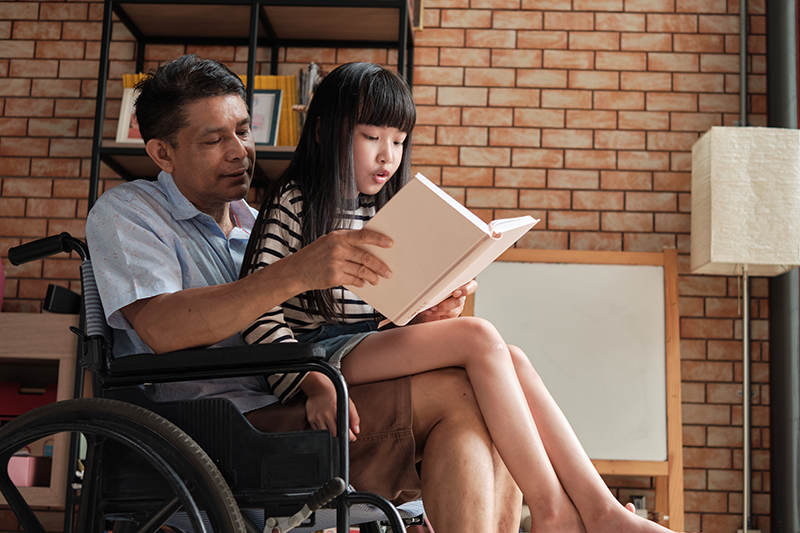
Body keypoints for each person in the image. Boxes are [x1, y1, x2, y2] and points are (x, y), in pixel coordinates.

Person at [241, 62, 687, 533]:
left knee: (508, 358)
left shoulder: (383, 209)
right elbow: (257, 309)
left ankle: (600, 509)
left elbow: (383, 314)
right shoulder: (295, 201)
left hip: (360, 347)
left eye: (398, 140)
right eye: (371, 136)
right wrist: (312, 382)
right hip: (319, 356)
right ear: (323, 134)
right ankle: (561, 513)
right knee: (479, 337)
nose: (387, 156)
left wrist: (430, 305)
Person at [85, 54, 521, 533]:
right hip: (222, 428)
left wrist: (423, 317)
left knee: (477, 392)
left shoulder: (256, 223)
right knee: (460, 395)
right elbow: (163, 328)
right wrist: (294, 274)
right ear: (162, 153)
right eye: (214, 140)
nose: (239, 152)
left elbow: (335, 328)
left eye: (244, 131)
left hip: (306, 395)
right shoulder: (128, 211)